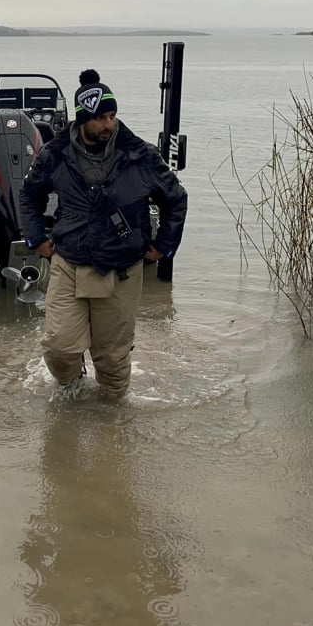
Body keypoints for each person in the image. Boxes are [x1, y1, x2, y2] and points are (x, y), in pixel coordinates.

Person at [19, 68, 188, 400]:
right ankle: (71, 391)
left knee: (111, 360)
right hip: (68, 262)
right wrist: (36, 238)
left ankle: (112, 425)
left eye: (112, 116)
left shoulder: (140, 155)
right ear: (82, 120)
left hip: (121, 269)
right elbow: (29, 194)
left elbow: (176, 198)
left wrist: (163, 246)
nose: (108, 124)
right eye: (100, 118)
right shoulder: (54, 154)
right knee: (59, 348)